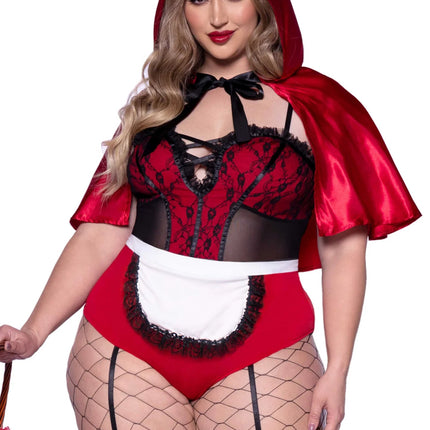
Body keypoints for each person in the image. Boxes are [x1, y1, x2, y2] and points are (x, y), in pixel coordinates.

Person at [0, 0, 421, 429]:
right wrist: (34, 332)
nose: (217, 17)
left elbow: (343, 250)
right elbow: (101, 233)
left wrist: (339, 369)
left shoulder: (320, 106)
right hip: (122, 347)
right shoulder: (156, 104)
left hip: (267, 346)